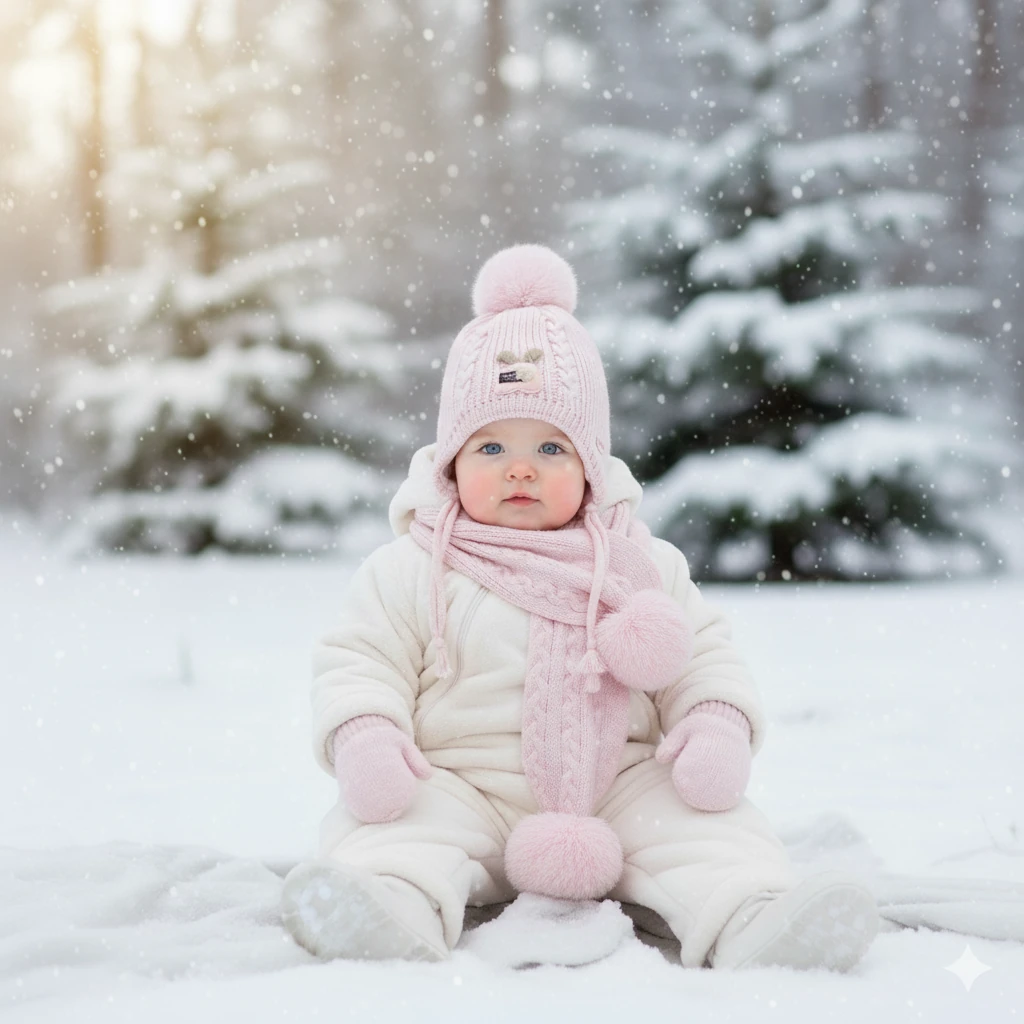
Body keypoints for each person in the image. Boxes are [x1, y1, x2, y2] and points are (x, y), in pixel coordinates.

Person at [280, 244, 879, 970]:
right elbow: (358, 657)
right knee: (397, 832)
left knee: (708, 829)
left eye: (553, 448)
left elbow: (706, 652)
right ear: (450, 462)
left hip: (618, 784)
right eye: (491, 445)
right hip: (461, 783)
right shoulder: (412, 567)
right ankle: (384, 907)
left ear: (593, 464)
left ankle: (754, 915)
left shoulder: (639, 563)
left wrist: (713, 718)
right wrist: (366, 733)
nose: (520, 468)